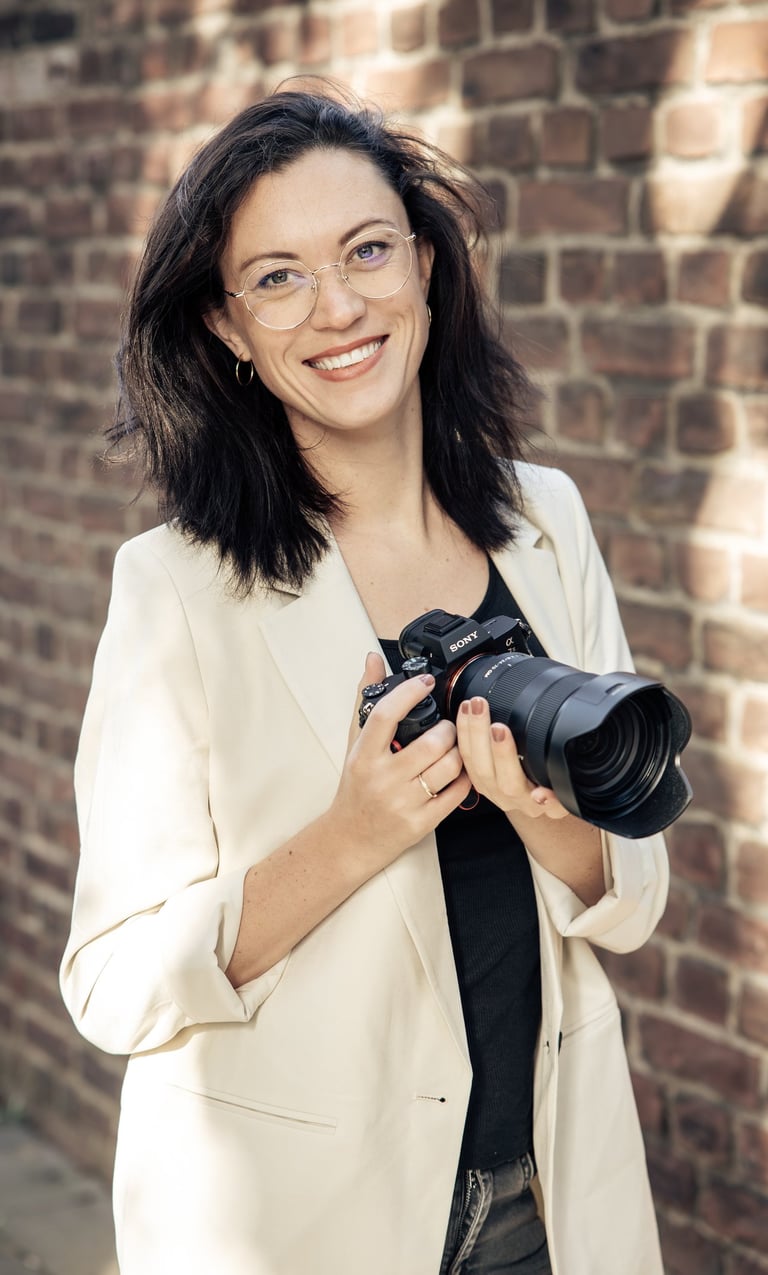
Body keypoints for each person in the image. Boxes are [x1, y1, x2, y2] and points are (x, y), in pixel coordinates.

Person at [60, 82, 669, 1275]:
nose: (339, 306)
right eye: (277, 277)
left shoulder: (545, 522)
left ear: (427, 268)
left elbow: (632, 896)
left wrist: (543, 815)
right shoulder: (175, 588)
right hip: (307, 1227)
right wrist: (353, 835)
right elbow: (113, 983)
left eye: (368, 250)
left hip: (550, 1197)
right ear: (227, 328)